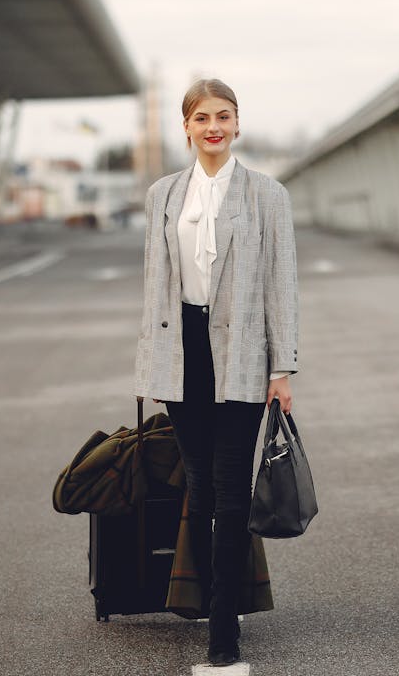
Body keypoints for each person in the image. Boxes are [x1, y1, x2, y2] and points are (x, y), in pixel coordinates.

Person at [134, 78, 298, 667]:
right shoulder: (164, 195)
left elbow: (282, 286)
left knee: (231, 491)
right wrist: (148, 367)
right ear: (186, 126)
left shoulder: (267, 195)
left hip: (242, 356)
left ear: (237, 125)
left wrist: (283, 368)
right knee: (199, 486)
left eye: (223, 117)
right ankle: (207, 601)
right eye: (202, 117)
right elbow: (156, 288)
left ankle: (223, 630)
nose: (213, 127)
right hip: (182, 354)